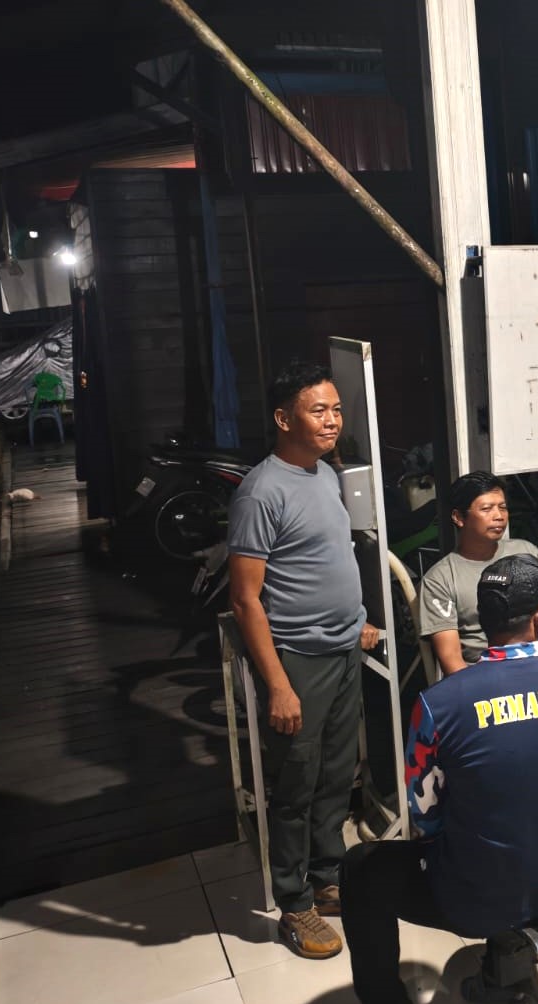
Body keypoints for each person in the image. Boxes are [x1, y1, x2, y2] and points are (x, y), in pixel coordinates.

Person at [341, 554, 538, 1004]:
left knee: (359, 868)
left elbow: (425, 813)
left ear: (483, 620)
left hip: (475, 899)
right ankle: (500, 970)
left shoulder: (440, 703)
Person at [227, 361, 380, 960]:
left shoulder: (325, 474)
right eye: (319, 410)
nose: (333, 420)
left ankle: (327, 877)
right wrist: (278, 685)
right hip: (299, 660)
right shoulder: (261, 491)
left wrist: (356, 621)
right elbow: (246, 600)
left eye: (337, 409)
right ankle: (294, 903)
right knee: (295, 785)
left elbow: (324, 561)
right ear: (283, 418)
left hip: (343, 650)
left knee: (337, 776)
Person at [416, 471, 538, 676]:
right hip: (486, 680)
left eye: (503, 507)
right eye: (486, 509)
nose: (499, 516)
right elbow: (451, 657)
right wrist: (477, 692)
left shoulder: (526, 552)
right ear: (459, 517)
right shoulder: (439, 579)